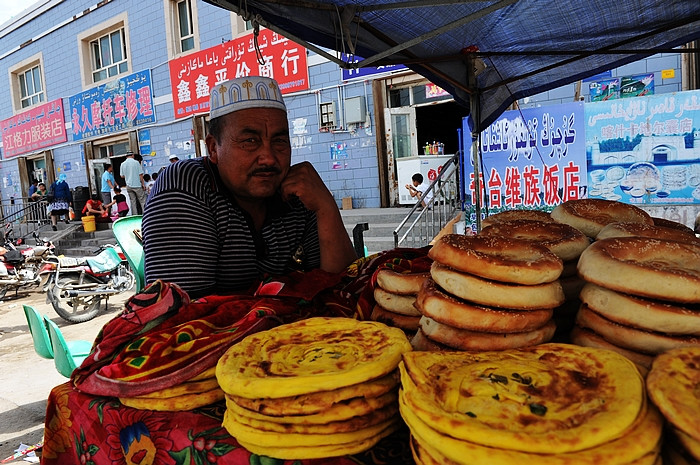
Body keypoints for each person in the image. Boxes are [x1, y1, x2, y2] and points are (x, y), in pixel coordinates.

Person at [142, 76, 357, 298]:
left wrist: (326, 207)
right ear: (213, 148)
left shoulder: (298, 193)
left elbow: (344, 291)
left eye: (279, 141)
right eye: (250, 141)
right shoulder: (184, 187)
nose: (269, 158)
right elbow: (181, 316)